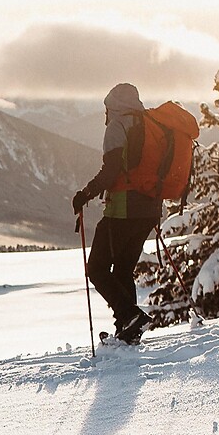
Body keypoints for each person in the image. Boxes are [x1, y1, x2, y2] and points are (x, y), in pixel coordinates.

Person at [72, 83, 159, 344]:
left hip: (123, 209)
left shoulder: (118, 125)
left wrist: (85, 194)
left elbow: (110, 171)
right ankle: (127, 330)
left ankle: (130, 316)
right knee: (123, 271)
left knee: (96, 268)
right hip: (150, 209)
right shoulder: (149, 124)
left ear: (112, 106)